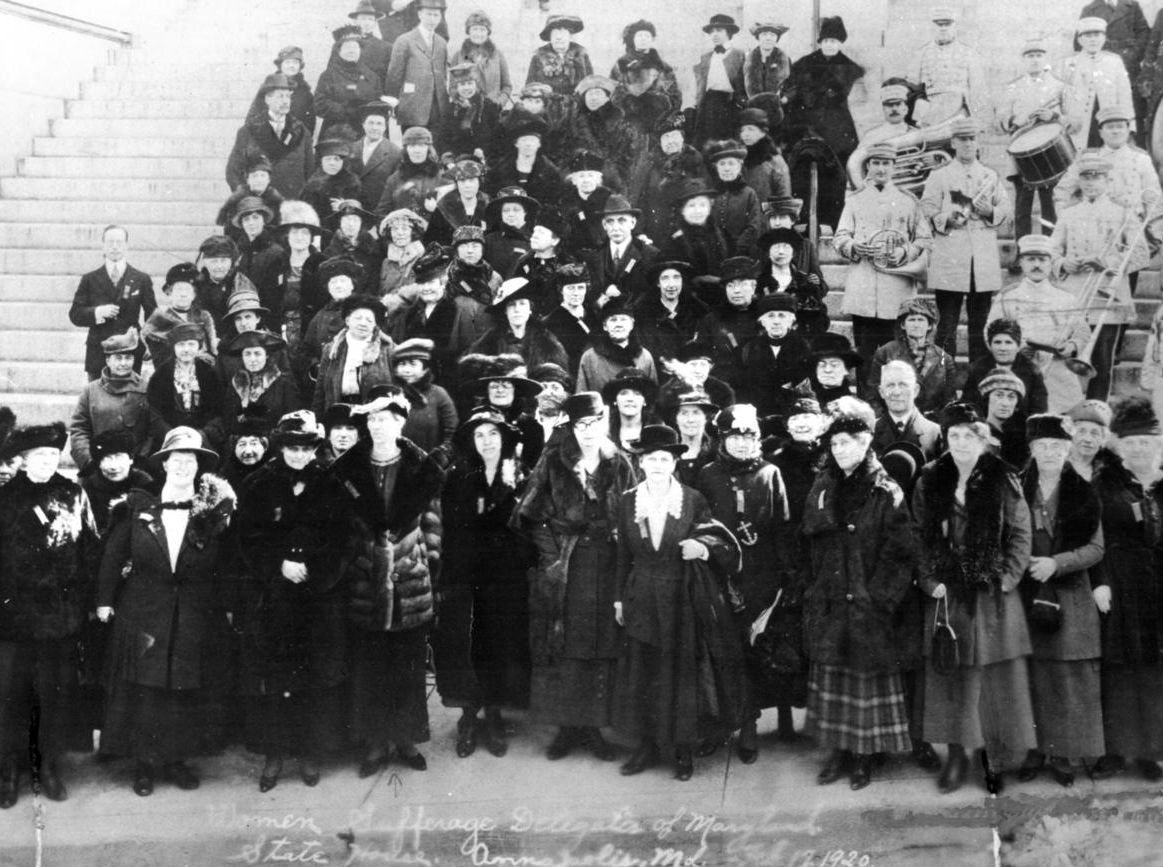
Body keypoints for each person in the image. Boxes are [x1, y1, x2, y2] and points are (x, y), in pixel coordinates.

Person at [97, 427, 236, 796]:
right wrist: (104, 600)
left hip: (194, 611)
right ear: (165, 464)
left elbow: (225, 566)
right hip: (143, 610)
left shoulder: (213, 512)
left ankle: (176, 760)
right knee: (145, 688)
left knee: (183, 686)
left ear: (198, 468)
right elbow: (113, 556)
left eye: (189, 462)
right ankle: (144, 764)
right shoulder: (138, 505)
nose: (182, 467)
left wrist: (226, 607)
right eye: (176, 460)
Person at [611, 423, 745, 782]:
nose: (657, 465)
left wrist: (701, 548)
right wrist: (619, 601)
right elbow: (623, 554)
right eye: (651, 458)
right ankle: (646, 746)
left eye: (664, 459)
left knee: (680, 674)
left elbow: (714, 538)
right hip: (640, 596)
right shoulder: (628, 501)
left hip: (680, 598)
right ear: (641, 463)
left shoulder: (691, 498)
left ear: (673, 463)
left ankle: (683, 749)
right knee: (644, 672)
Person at [913, 403, 1035, 795]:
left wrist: (1007, 579)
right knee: (951, 678)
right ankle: (955, 756)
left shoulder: (1003, 478)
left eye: (969, 435)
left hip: (991, 593)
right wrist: (928, 579)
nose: (961, 443)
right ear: (945, 440)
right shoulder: (930, 479)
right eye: (954, 436)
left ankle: (990, 759)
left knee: (992, 682)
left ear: (983, 439)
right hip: (948, 596)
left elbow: (1020, 533)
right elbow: (916, 535)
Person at [514, 392, 638, 761]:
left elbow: (634, 515)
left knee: (602, 643)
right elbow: (528, 515)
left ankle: (595, 727)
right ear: (570, 426)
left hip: (609, 562)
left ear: (606, 422)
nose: (588, 432)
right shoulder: (555, 460)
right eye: (580, 425)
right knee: (567, 644)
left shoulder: (620, 463)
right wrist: (553, 557)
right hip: (567, 564)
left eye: (594, 423)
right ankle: (567, 728)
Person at [231, 410, 351, 792]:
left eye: (306, 448)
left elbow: (343, 539)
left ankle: (310, 752)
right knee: (275, 676)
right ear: (280, 447)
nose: (299, 455)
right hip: (273, 597)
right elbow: (246, 538)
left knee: (315, 675)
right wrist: (278, 565)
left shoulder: (331, 483)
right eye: (292, 448)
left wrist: (312, 569)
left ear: (316, 449)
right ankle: (274, 753)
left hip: (318, 598)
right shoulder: (257, 484)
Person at [800, 399, 916, 790]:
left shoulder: (886, 491)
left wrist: (879, 598)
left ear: (866, 443)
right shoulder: (822, 486)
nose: (840, 451)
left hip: (868, 604)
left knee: (863, 680)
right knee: (834, 679)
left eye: (848, 443)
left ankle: (864, 756)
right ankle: (837, 752)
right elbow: (810, 543)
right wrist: (816, 589)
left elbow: (900, 554)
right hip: (831, 601)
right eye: (834, 445)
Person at [331, 386, 445, 777]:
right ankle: (375, 743)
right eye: (373, 419)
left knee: (408, 663)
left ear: (401, 421)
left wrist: (424, 560)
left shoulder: (421, 468)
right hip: (365, 579)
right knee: (370, 665)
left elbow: (432, 522)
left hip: (410, 579)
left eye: (388, 418)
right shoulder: (348, 469)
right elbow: (341, 527)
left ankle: (407, 738)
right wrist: (355, 561)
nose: (380, 426)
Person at [0, 423, 99, 807]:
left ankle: (48, 768)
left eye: (51, 456)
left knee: (52, 696)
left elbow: (89, 549)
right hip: (13, 622)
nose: (45, 462)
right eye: (37, 456)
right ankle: (8, 770)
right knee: (10, 695)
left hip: (59, 620)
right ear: (22, 460)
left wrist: (82, 604)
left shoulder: (72, 493)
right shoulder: (5, 498)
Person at [695, 405, 793, 763]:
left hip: (759, 577)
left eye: (749, 436)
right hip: (719, 576)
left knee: (752, 652)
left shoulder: (770, 474)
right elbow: (701, 525)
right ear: (722, 440)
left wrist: (784, 576)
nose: (741, 443)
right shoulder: (707, 475)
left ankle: (750, 727)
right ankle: (721, 726)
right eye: (734, 437)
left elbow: (782, 527)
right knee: (722, 652)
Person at [1016, 413, 1105, 788]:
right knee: (1033, 676)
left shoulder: (1083, 492)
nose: (1050, 452)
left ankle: (1065, 754)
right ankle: (1035, 752)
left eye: (1057, 446)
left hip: (1070, 596)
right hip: (1027, 592)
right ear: (1033, 450)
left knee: (1067, 680)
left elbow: (1096, 548)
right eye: (1042, 446)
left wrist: (1057, 563)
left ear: (1067, 450)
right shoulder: (1017, 489)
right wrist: (1027, 565)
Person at [436, 408, 532, 758]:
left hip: (505, 575)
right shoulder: (459, 475)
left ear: (504, 438)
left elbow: (529, 525)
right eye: (479, 435)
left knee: (500, 643)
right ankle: (468, 716)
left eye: (493, 434)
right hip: (465, 573)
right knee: (464, 644)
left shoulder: (519, 474)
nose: (487, 441)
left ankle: (494, 713)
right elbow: (448, 526)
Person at [1089, 397, 1163, 780]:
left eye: (1146, 441)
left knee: (1153, 668)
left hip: (1157, 587)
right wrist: (1100, 583)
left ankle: (1151, 752)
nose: (1138, 447)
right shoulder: (1105, 483)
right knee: (1117, 666)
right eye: (1131, 441)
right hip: (1118, 583)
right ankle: (1115, 750)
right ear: (1120, 445)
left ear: (1158, 444)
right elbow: (1095, 535)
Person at [1049, 153, 1145, 401]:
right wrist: (1063, 263)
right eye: (1085, 177)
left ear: (1107, 180)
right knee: (1065, 357)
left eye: (1097, 177)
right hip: (1074, 296)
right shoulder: (1069, 214)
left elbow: (1141, 254)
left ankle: (1095, 412)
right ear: (1079, 181)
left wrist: (1109, 264)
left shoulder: (1123, 213)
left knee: (1102, 361)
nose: (1091, 183)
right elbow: (1051, 252)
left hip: (1108, 297)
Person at [921, 117, 1011, 364]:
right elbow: (926, 208)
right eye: (963, 139)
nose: (968, 144)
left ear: (978, 141)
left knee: (980, 326)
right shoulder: (940, 175)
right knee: (947, 326)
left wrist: (988, 212)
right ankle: (943, 384)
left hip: (981, 260)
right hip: (950, 256)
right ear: (953, 142)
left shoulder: (990, 176)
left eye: (972, 138)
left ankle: (976, 385)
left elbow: (1005, 209)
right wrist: (945, 218)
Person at [834, 142, 932, 366]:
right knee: (864, 356)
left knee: (896, 356)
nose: (880, 169)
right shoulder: (855, 201)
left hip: (896, 290)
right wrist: (854, 247)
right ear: (868, 166)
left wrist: (904, 251)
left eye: (886, 163)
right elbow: (840, 237)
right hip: (864, 288)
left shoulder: (908, 201)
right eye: (876, 163)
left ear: (894, 167)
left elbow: (925, 239)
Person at [988, 234, 1091, 414]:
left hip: (1058, 372)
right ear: (1021, 263)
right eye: (1030, 259)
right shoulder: (1007, 296)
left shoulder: (1066, 298)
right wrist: (1015, 349)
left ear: (1051, 263)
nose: (1037, 264)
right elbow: (990, 332)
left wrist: (1072, 347)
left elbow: (1082, 331)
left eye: (1042, 259)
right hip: (1019, 368)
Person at [782, 16, 864, 229]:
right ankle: (805, 222)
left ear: (840, 43)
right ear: (820, 42)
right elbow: (793, 92)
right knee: (805, 172)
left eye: (834, 41)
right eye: (826, 41)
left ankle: (833, 223)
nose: (829, 45)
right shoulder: (805, 64)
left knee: (835, 176)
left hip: (838, 130)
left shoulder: (850, 68)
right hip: (807, 126)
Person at [996, 39, 1068, 242]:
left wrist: (1054, 117)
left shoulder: (1059, 86)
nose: (1035, 60)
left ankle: (1049, 249)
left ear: (1045, 59)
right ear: (1023, 60)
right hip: (1021, 155)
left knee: (1049, 205)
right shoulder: (1013, 87)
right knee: (1022, 205)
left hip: (1049, 156)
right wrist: (1013, 120)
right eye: (1030, 56)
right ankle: (1022, 250)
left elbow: (1074, 121)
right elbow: (999, 119)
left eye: (1039, 56)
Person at [68, 328, 168, 473]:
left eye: (128, 358)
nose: (123, 363)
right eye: (118, 358)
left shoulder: (146, 389)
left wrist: (138, 461)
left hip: (134, 467)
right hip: (97, 465)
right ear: (108, 360)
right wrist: (88, 461)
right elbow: (79, 430)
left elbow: (152, 432)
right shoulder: (91, 391)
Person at [69, 225, 155, 380]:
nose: (114, 246)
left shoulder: (141, 279)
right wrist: (97, 312)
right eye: (110, 242)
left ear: (127, 246)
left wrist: (150, 342)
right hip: (98, 350)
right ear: (103, 245)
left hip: (130, 350)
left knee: (130, 398)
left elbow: (153, 316)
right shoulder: (90, 279)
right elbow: (75, 314)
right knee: (97, 398)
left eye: (119, 242)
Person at [226, 73, 314, 199]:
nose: (285, 101)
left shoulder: (301, 131)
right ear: (267, 99)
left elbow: (310, 171)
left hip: (291, 204)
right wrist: (248, 199)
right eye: (280, 96)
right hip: (261, 205)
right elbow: (233, 172)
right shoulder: (248, 131)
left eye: (288, 97)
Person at [867, 298, 957, 417]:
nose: (916, 325)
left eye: (921, 320)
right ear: (903, 325)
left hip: (931, 422)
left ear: (929, 326)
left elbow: (949, 400)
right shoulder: (885, 353)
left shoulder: (944, 358)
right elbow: (873, 395)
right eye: (911, 320)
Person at [312, 294, 395, 415]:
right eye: (358, 318)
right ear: (347, 321)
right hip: (339, 412)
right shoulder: (331, 349)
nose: (363, 323)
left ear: (375, 325)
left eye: (369, 320)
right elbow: (320, 390)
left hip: (376, 415)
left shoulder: (387, 349)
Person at [1059, 17, 1135, 150]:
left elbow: (1124, 96)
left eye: (1097, 35)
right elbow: (1060, 98)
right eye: (1088, 36)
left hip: (1108, 122)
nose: (1093, 40)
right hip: (1078, 127)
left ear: (1104, 38)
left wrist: (1130, 127)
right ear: (1080, 40)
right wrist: (1064, 120)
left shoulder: (1114, 62)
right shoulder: (1068, 64)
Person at [906, 7, 987, 124]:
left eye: (947, 24)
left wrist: (978, 117)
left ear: (955, 26)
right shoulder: (921, 54)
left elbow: (978, 88)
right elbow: (912, 87)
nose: (943, 28)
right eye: (939, 25)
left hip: (959, 111)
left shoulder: (968, 53)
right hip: (930, 110)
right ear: (932, 27)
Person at [470, 278, 569, 372]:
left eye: (522, 304)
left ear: (530, 309)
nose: (517, 309)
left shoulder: (548, 344)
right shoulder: (489, 343)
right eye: (512, 304)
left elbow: (558, 378)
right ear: (505, 311)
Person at [739, 293, 812, 419]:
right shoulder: (748, 349)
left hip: (795, 415)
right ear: (762, 321)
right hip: (757, 415)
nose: (776, 321)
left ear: (791, 320)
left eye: (782, 316)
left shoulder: (805, 348)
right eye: (770, 316)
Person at [608, 19, 682, 145]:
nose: (643, 39)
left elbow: (674, 94)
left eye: (647, 36)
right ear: (633, 39)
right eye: (639, 35)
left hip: (659, 120)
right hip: (630, 120)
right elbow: (613, 91)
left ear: (652, 39)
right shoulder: (621, 64)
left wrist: (668, 118)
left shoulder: (663, 67)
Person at [147, 323, 223, 443]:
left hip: (203, 436)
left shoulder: (209, 372)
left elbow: (218, 410)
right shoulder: (161, 374)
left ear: (199, 346)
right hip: (170, 436)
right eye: (181, 345)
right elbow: (154, 412)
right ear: (173, 348)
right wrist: (171, 435)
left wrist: (202, 434)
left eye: (191, 344)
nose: (186, 349)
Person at [695, 256, 762, 391]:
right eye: (730, 285)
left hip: (760, 388)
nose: (736, 291)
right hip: (724, 389)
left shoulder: (766, 317)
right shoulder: (712, 320)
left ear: (754, 286)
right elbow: (702, 356)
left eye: (743, 284)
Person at [382, 0, 449, 135]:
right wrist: (394, 103)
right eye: (428, 14)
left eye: (436, 15)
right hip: (412, 107)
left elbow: (443, 75)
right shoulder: (404, 40)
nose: (432, 19)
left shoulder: (441, 43)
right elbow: (394, 76)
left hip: (437, 109)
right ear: (419, 14)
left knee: (436, 151)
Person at [220, 330, 303, 437]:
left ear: (267, 356)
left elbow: (292, 421)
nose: (252, 359)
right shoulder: (235, 384)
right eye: (247, 354)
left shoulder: (283, 384)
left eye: (257, 354)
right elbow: (228, 420)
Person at [962, 317, 1049, 418]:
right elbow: (969, 407)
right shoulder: (978, 369)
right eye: (997, 342)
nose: (1002, 348)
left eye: (1008, 342)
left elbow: (1039, 411)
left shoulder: (1032, 371)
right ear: (990, 345)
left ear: (1018, 346)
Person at [754, 226, 829, 336]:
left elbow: (820, 320)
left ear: (793, 253)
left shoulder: (805, 282)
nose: (781, 252)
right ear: (768, 253)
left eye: (786, 248)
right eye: (776, 248)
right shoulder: (759, 283)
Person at [525, 14, 593, 134]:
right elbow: (529, 87)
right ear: (549, 37)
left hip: (575, 113)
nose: (559, 38)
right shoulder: (538, 57)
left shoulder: (581, 56)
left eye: (563, 33)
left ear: (570, 36)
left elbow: (590, 86)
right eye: (555, 34)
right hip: (545, 113)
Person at [632, 260, 706, 368]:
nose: (671, 285)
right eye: (665, 278)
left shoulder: (698, 312)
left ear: (682, 281)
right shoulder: (643, 315)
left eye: (676, 278)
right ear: (658, 283)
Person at [576, 299, 657, 394]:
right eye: (613, 320)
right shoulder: (590, 358)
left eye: (623, 319)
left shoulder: (645, 357)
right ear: (605, 326)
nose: (619, 324)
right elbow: (582, 398)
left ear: (632, 325)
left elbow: (653, 398)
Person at [315, 26, 382, 139]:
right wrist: (345, 110)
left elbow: (378, 105)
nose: (351, 51)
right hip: (335, 133)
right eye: (347, 47)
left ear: (360, 50)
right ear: (339, 50)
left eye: (355, 47)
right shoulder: (328, 76)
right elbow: (319, 105)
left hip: (365, 134)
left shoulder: (372, 77)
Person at [391, 338, 457, 452]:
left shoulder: (438, 394)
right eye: (402, 364)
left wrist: (440, 457)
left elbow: (452, 430)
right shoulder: (390, 394)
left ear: (425, 369)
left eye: (413, 364)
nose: (406, 370)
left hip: (428, 462)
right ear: (396, 369)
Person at [484, 116, 566, 206]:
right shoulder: (500, 169)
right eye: (524, 140)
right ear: (516, 143)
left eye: (532, 140)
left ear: (539, 144)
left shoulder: (550, 172)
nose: (528, 144)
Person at [871, 360, 943, 461]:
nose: (896, 392)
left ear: (915, 390)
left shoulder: (935, 434)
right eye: (890, 385)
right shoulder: (869, 433)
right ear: (881, 392)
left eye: (903, 385)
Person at [692, 14, 746, 146]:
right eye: (712, 32)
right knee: (707, 143)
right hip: (709, 104)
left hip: (731, 104)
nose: (714, 35)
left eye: (719, 31)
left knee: (729, 144)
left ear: (729, 32)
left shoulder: (740, 55)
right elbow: (700, 84)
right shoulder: (705, 57)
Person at [375, 126, 444, 219]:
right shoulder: (395, 179)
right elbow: (381, 213)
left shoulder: (441, 177)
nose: (417, 150)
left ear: (428, 149)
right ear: (406, 150)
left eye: (421, 145)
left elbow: (453, 216)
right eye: (412, 146)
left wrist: (435, 211)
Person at [541, 262, 597, 375]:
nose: (576, 293)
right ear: (561, 290)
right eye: (570, 288)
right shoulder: (550, 322)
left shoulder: (595, 316)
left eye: (580, 287)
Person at [245, 46, 315, 136]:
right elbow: (253, 115)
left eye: (295, 62)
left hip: (295, 141)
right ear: (280, 65)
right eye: (287, 62)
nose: (291, 66)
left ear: (300, 66)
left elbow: (310, 122)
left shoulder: (305, 92)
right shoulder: (268, 87)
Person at [449, 11, 512, 109]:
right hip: (466, 111)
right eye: (475, 29)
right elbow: (452, 87)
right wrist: (461, 101)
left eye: (482, 29)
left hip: (492, 111)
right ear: (468, 31)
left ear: (488, 32)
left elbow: (507, 86)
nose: (478, 33)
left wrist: (499, 103)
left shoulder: (498, 56)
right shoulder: (458, 56)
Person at [440, 64, 503, 160]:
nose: (466, 88)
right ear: (456, 87)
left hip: (484, 157)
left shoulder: (488, 106)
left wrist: (484, 151)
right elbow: (444, 137)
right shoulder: (451, 109)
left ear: (476, 85)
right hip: (456, 158)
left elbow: (496, 136)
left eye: (470, 83)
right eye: (462, 84)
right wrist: (448, 156)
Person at [424, 158, 489, 248]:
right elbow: (431, 241)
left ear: (479, 182)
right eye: (462, 181)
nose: (467, 185)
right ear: (456, 183)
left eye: (472, 180)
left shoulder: (489, 206)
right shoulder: (443, 207)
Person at [350, 103, 402, 213]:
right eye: (370, 123)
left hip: (378, 211)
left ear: (385, 127)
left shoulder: (395, 153)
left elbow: (396, 189)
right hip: (353, 211)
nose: (374, 127)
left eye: (379, 124)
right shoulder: (351, 148)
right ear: (363, 125)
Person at [379, 209, 428, 306]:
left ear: (413, 232)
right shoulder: (386, 263)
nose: (399, 233)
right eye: (395, 229)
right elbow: (381, 292)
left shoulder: (424, 259)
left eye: (405, 228)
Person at [671, 391, 718, 486]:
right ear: (676, 419)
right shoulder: (669, 452)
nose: (690, 420)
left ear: (706, 417)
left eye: (696, 413)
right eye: (684, 413)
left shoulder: (717, 451)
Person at [744, 22, 791, 114]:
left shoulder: (784, 59)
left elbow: (792, 83)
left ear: (777, 39)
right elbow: (739, 84)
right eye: (764, 34)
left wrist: (784, 98)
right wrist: (745, 101)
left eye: (773, 35)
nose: (768, 38)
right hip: (752, 108)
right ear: (758, 37)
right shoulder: (747, 59)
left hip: (777, 107)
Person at [1067, 399, 1115, 480]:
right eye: (1081, 431)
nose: (1088, 439)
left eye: (1095, 433)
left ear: (1103, 439)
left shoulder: (1109, 476)